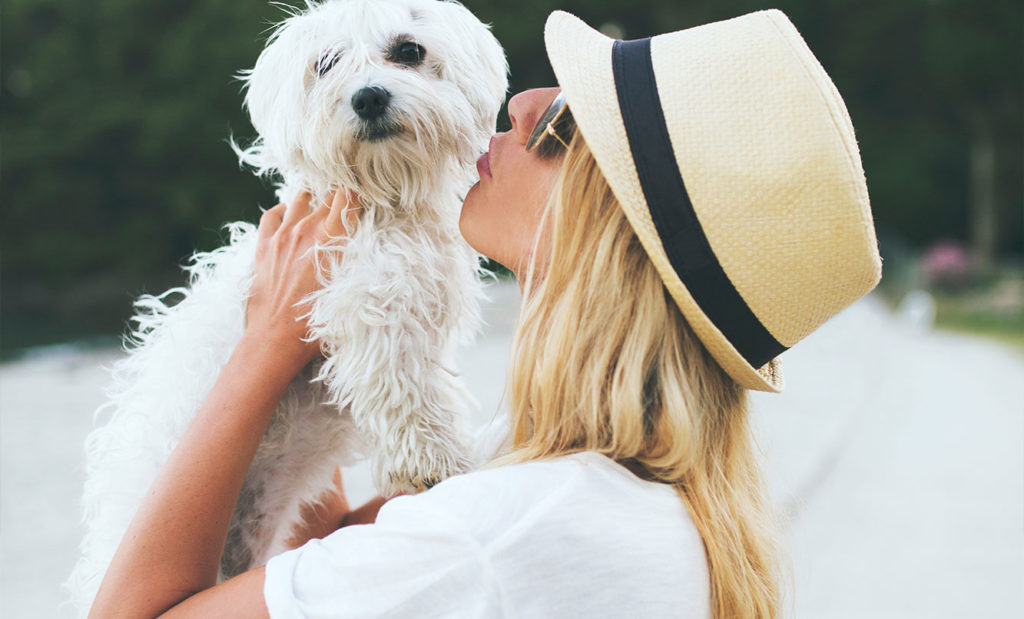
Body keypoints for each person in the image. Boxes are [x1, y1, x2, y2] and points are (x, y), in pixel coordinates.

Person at [90, 9, 881, 618]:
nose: (524, 100)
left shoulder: (516, 524)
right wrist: (320, 349)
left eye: (567, 124)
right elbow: (315, 558)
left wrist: (265, 346)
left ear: (619, 229)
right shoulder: (564, 472)